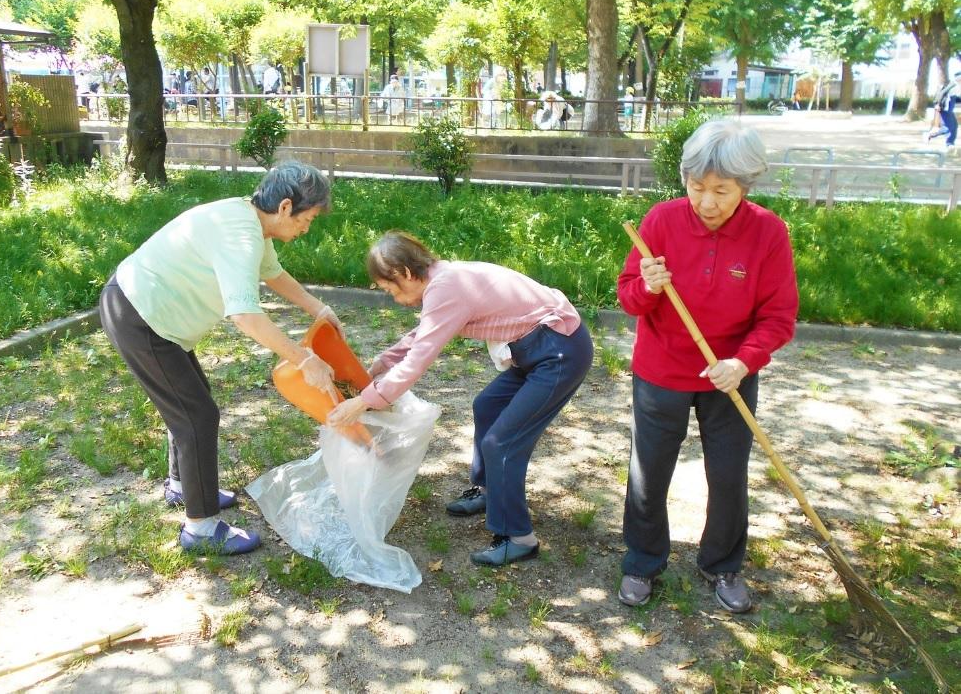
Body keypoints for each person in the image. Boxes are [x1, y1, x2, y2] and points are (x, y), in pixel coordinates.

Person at [99, 162, 344, 556]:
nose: (306, 228)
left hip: (149, 313)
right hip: (140, 316)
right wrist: (304, 359)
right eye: (308, 219)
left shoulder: (249, 220)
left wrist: (319, 308)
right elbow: (245, 315)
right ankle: (200, 528)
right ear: (285, 207)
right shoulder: (241, 237)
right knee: (196, 416)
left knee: (192, 406)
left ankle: (182, 486)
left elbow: (274, 275)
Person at [615, 119, 798, 613]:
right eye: (698, 188)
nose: (708, 202)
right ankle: (642, 560)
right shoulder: (660, 221)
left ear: (746, 185)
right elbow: (629, 298)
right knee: (648, 472)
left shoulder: (767, 232)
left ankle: (721, 563)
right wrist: (648, 287)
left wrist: (744, 361)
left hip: (729, 375)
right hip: (661, 370)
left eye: (722, 190)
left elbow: (779, 317)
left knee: (729, 472)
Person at [328, 232, 593, 568]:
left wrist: (365, 401)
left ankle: (519, 538)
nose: (394, 298)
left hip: (559, 352)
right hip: (537, 349)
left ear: (406, 273)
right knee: (487, 406)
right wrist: (382, 363)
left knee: (503, 442)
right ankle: (488, 491)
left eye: (390, 289)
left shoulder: (446, 286)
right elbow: (424, 332)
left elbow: (420, 356)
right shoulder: (443, 281)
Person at [931, 72, 961, 149]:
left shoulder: (957, 86)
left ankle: (951, 143)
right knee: (947, 127)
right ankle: (931, 135)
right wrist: (937, 104)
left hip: (949, 110)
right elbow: (941, 94)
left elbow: (955, 98)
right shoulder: (953, 85)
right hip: (945, 109)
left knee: (954, 126)